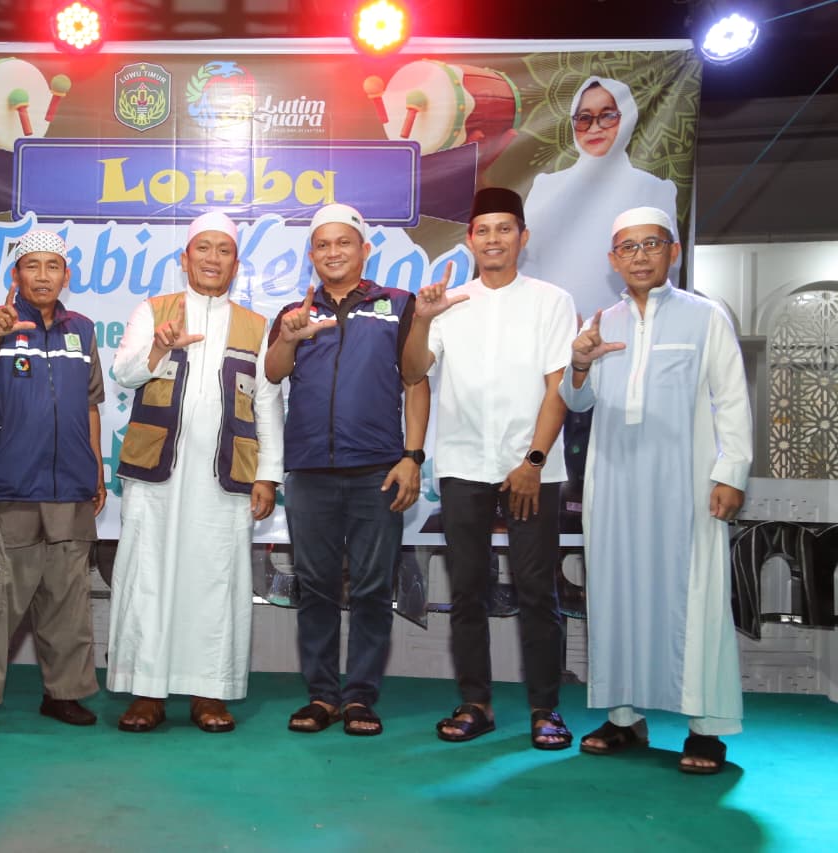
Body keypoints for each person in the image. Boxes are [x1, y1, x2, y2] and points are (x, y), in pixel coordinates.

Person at [562, 206, 752, 774]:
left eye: (651, 244)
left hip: (688, 484)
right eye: (628, 246)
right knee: (615, 594)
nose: (640, 255)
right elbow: (578, 403)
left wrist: (732, 472)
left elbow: (732, 397)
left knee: (698, 599)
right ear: (612, 259)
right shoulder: (601, 322)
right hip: (615, 483)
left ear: (673, 251)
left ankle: (707, 730)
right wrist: (579, 364)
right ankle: (623, 719)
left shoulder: (705, 316)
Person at [405, 187, 577, 750]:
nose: (494, 239)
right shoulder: (449, 303)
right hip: (463, 465)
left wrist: (533, 461)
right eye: (484, 230)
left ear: (523, 238)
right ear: (469, 240)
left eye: (505, 229)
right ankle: (474, 703)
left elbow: (558, 387)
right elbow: (413, 372)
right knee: (468, 590)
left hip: (532, 470)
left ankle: (546, 709)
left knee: (537, 590)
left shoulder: (552, 301)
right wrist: (422, 320)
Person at [107, 211, 284, 734]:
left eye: (223, 250)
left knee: (217, 582)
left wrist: (268, 475)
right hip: (156, 475)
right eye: (202, 248)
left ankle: (211, 691)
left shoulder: (257, 326)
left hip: (226, 478)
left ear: (236, 263)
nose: (212, 258)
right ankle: (147, 692)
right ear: (185, 259)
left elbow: (268, 404)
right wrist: (160, 346)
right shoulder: (154, 311)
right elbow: (123, 373)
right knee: (149, 578)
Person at [266, 203, 429, 737]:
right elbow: (273, 373)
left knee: (371, 587)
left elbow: (415, 380)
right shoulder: (295, 311)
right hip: (309, 470)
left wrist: (412, 456)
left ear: (364, 249)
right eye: (322, 244)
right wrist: (289, 337)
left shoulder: (397, 305)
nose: (333, 252)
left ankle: (360, 697)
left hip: (378, 470)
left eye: (343, 242)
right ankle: (321, 695)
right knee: (314, 586)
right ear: (311, 254)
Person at [0, 230, 105, 733]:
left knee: (68, 600)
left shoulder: (82, 330)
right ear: (15, 274)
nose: (43, 275)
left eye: (52, 266)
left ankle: (64, 694)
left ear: (66, 275)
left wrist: (96, 467)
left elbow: (90, 404)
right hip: (11, 487)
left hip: (71, 488)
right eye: (32, 266)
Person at [521, 76, 679, 321]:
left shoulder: (655, 189)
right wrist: (549, 320)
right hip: (556, 326)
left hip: (634, 327)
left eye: (607, 116)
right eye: (584, 118)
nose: (595, 128)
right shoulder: (547, 187)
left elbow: (668, 270)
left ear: (626, 119)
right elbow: (527, 264)